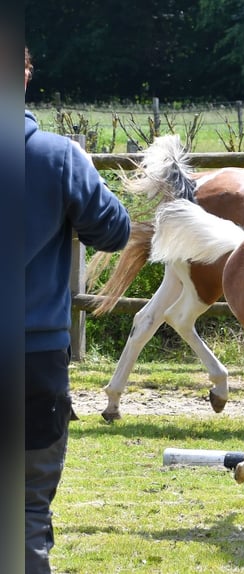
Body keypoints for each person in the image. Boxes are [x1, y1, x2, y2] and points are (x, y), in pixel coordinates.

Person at [25, 46, 131, 574]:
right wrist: (85, 173)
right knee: (26, 509)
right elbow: (115, 231)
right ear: (24, 76)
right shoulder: (57, 157)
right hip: (35, 356)